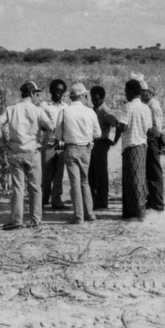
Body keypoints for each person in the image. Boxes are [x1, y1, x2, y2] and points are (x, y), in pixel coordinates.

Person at [0, 81, 54, 231]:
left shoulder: (11, 109)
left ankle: (16, 220)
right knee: (35, 188)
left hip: (16, 152)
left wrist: (4, 141)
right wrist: (44, 143)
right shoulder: (37, 110)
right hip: (33, 152)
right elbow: (50, 127)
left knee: (18, 188)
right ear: (33, 94)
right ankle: (36, 220)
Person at [54, 83, 102, 224]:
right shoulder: (90, 112)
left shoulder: (64, 111)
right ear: (82, 96)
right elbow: (98, 133)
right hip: (86, 149)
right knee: (84, 182)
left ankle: (78, 216)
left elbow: (58, 134)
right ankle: (90, 214)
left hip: (71, 148)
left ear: (71, 96)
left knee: (75, 183)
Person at [114, 78, 152, 221]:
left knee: (131, 180)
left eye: (125, 91)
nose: (125, 94)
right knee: (140, 178)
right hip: (142, 146)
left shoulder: (128, 107)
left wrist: (116, 123)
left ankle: (132, 212)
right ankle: (140, 210)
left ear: (130, 92)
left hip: (131, 146)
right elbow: (148, 130)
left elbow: (123, 127)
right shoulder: (146, 108)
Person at [89, 85, 119, 210]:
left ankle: (102, 201)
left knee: (101, 173)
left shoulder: (105, 111)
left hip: (101, 143)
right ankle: (94, 199)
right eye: (93, 99)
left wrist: (114, 141)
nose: (94, 102)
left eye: (96, 100)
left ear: (102, 98)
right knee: (92, 173)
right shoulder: (94, 110)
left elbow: (117, 125)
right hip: (93, 144)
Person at [40, 78, 68, 211]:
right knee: (46, 170)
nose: (58, 93)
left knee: (59, 171)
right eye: (56, 90)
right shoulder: (44, 105)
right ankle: (43, 198)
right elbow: (39, 123)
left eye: (61, 91)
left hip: (61, 141)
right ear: (51, 90)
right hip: (50, 139)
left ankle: (56, 199)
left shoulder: (66, 107)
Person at [141, 80, 165, 212]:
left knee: (154, 171)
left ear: (149, 93)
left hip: (153, 140)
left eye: (143, 92)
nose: (141, 95)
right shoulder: (149, 104)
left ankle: (158, 202)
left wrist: (148, 136)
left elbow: (156, 126)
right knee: (150, 171)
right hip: (151, 140)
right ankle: (152, 199)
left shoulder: (153, 106)